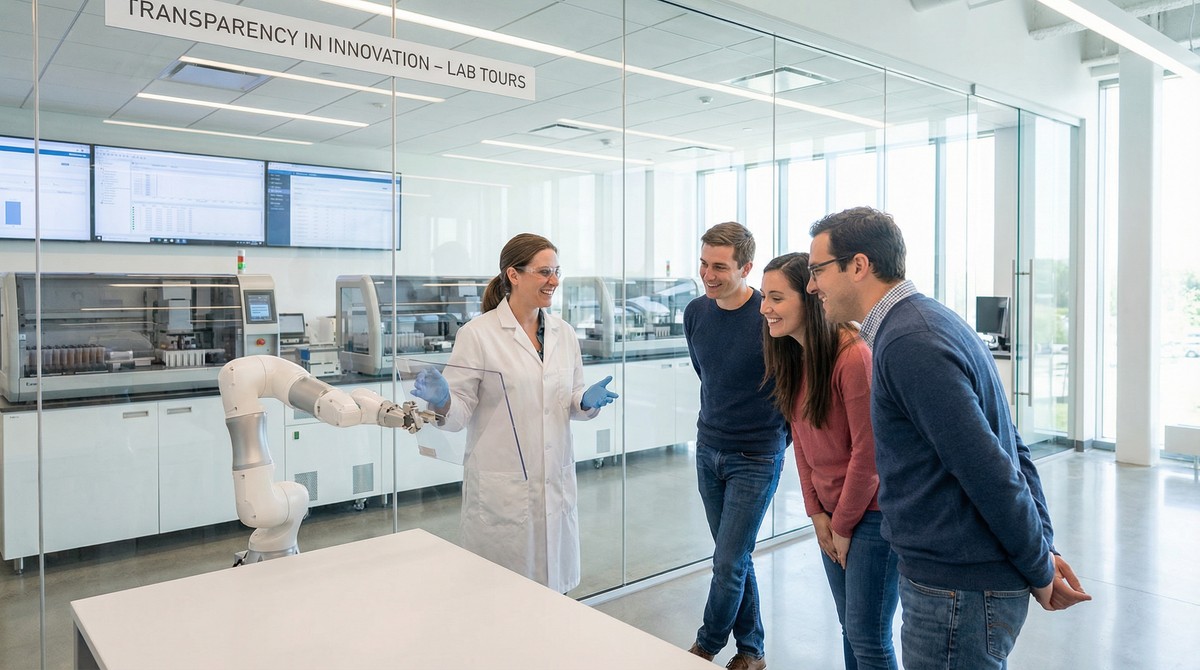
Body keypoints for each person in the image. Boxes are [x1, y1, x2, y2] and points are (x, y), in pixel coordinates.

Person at [806, 207, 1091, 669]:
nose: (812, 285)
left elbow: (991, 469)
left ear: (858, 266)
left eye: (817, 270)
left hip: (958, 593)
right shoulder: (927, 321)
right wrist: (1043, 546)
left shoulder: (908, 343)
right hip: (960, 586)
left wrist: (1040, 564)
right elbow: (1010, 445)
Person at [411, 233, 618, 593]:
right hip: (501, 491)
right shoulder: (478, 335)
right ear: (514, 274)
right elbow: (458, 414)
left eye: (556, 271)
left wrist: (585, 401)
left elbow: (569, 396)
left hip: (554, 482)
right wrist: (443, 398)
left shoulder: (563, 333)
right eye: (544, 272)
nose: (554, 281)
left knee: (555, 598)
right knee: (503, 598)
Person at [759, 252, 899, 670]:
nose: (764, 308)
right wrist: (816, 513)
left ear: (809, 298)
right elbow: (799, 441)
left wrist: (840, 524)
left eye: (777, 298)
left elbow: (869, 453)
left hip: (871, 515)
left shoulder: (854, 356)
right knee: (851, 629)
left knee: (869, 637)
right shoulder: (794, 357)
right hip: (832, 515)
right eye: (765, 297)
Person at [684, 222, 788, 670]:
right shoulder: (695, 313)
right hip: (708, 450)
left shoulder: (770, 316)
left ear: (746, 267)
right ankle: (752, 650)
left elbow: (793, 385)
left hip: (757, 455)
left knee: (727, 561)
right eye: (704, 263)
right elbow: (705, 373)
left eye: (720, 267)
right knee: (736, 558)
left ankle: (705, 646)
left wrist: (775, 440)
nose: (708, 274)